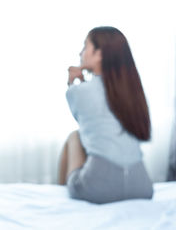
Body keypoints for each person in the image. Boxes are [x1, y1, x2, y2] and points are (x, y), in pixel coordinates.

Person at [58, 26, 153, 204]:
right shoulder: (132, 93)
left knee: (75, 136)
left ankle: (63, 201)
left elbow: (85, 121)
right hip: (142, 187)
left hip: (98, 190)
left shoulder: (78, 92)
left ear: (99, 54)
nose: (81, 52)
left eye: (85, 47)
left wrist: (72, 83)